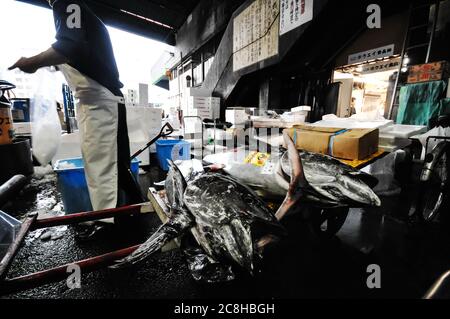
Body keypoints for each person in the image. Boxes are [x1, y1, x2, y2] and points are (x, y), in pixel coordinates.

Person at [9, 0, 143, 239]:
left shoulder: (67, 3)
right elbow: (79, 53)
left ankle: (108, 225)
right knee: (116, 163)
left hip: (101, 100)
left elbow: (69, 47)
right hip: (99, 100)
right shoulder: (75, 10)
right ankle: (136, 211)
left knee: (102, 165)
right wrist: (55, 66)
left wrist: (32, 62)